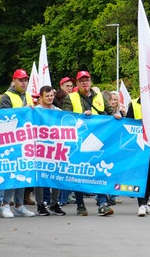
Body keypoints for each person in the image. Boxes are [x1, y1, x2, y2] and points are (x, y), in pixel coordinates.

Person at [62, 71, 115, 216]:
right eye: (82, 81)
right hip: (79, 141)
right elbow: (67, 118)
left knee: (100, 170)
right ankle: (80, 204)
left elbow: (110, 111)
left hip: (97, 140)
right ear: (77, 84)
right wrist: (82, 117)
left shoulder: (99, 97)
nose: (85, 83)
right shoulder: (70, 98)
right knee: (79, 172)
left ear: (91, 82)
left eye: (87, 80)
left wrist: (116, 115)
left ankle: (103, 203)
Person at [0, 69, 37, 218]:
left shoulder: (28, 96)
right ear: (14, 81)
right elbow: (4, 117)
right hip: (10, 140)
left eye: (26, 80)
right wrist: (23, 111)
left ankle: (20, 205)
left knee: (23, 172)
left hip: (24, 139)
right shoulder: (7, 96)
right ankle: (5, 204)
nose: (24, 83)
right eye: (21, 80)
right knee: (11, 173)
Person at [33, 85, 66, 216]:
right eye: (47, 96)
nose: (50, 98)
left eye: (51, 95)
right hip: (40, 147)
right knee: (40, 176)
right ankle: (40, 204)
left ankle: (54, 203)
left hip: (55, 147)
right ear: (41, 97)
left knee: (57, 174)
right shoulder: (35, 110)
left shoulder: (58, 111)